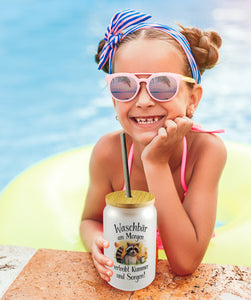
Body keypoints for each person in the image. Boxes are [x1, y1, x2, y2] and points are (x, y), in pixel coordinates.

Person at [80, 9, 227, 282]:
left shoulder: (206, 151)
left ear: (193, 99)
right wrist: (96, 241)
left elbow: (184, 263)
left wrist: (155, 162)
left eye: (162, 85)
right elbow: (90, 220)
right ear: (114, 100)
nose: (144, 100)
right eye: (125, 86)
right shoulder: (108, 152)